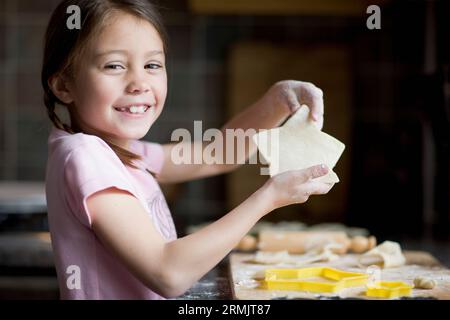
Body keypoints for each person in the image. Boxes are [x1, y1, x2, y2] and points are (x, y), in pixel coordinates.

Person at [42, 0, 333, 299]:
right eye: (114, 65)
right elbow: (168, 273)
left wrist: (276, 103)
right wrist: (267, 198)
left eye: (152, 65)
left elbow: (218, 154)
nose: (139, 83)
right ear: (64, 85)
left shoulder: (117, 152)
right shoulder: (85, 156)